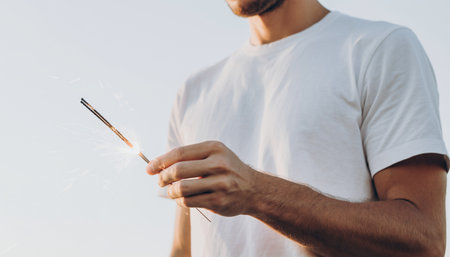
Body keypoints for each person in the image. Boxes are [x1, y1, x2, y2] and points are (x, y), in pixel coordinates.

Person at [147, 0, 449, 256]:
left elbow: (424, 239)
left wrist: (258, 194)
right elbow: (184, 247)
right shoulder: (193, 93)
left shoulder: (378, 49)